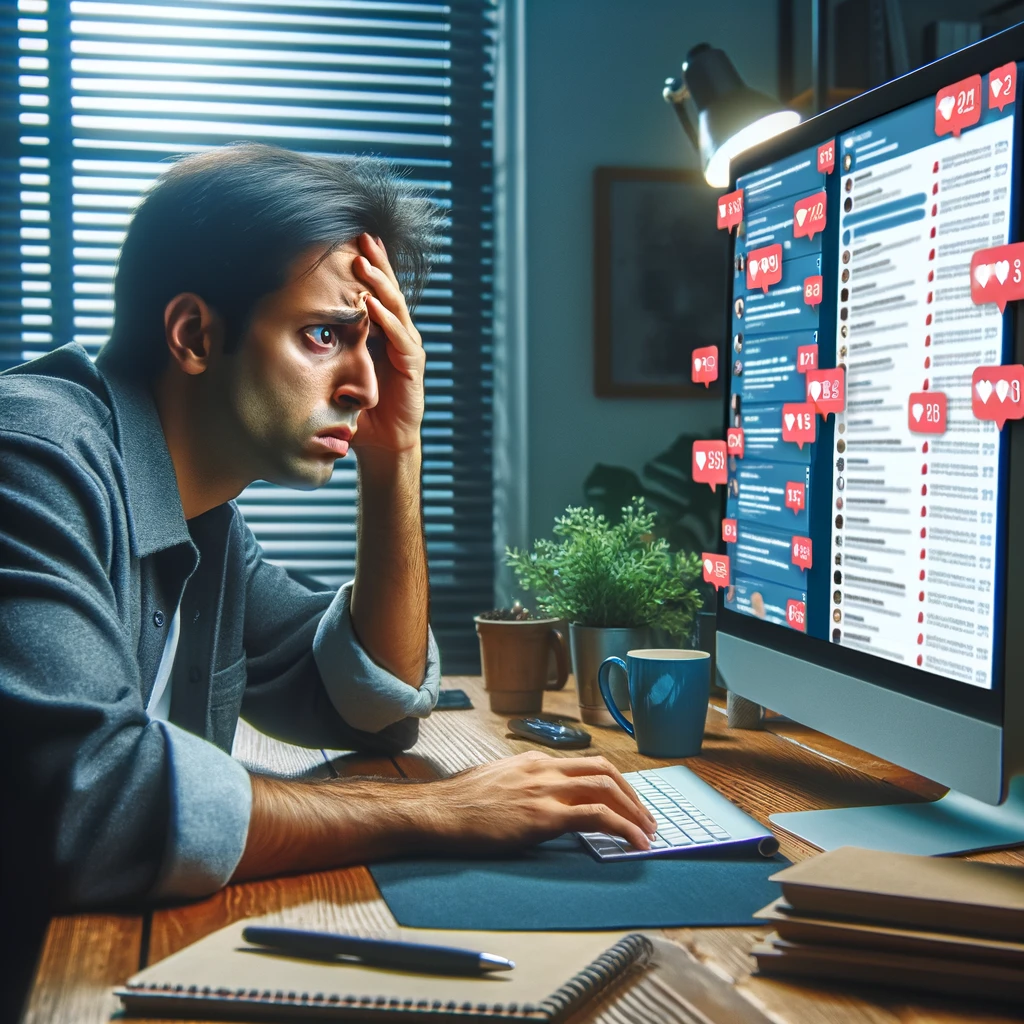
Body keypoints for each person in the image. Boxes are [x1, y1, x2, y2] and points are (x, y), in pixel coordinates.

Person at [0, 144, 658, 918]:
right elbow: (92, 802)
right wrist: (441, 812)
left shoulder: (203, 526)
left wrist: (395, 455)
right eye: (325, 336)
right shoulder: (34, 463)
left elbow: (366, 703)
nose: (367, 386)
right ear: (195, 336)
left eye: (372, 345)